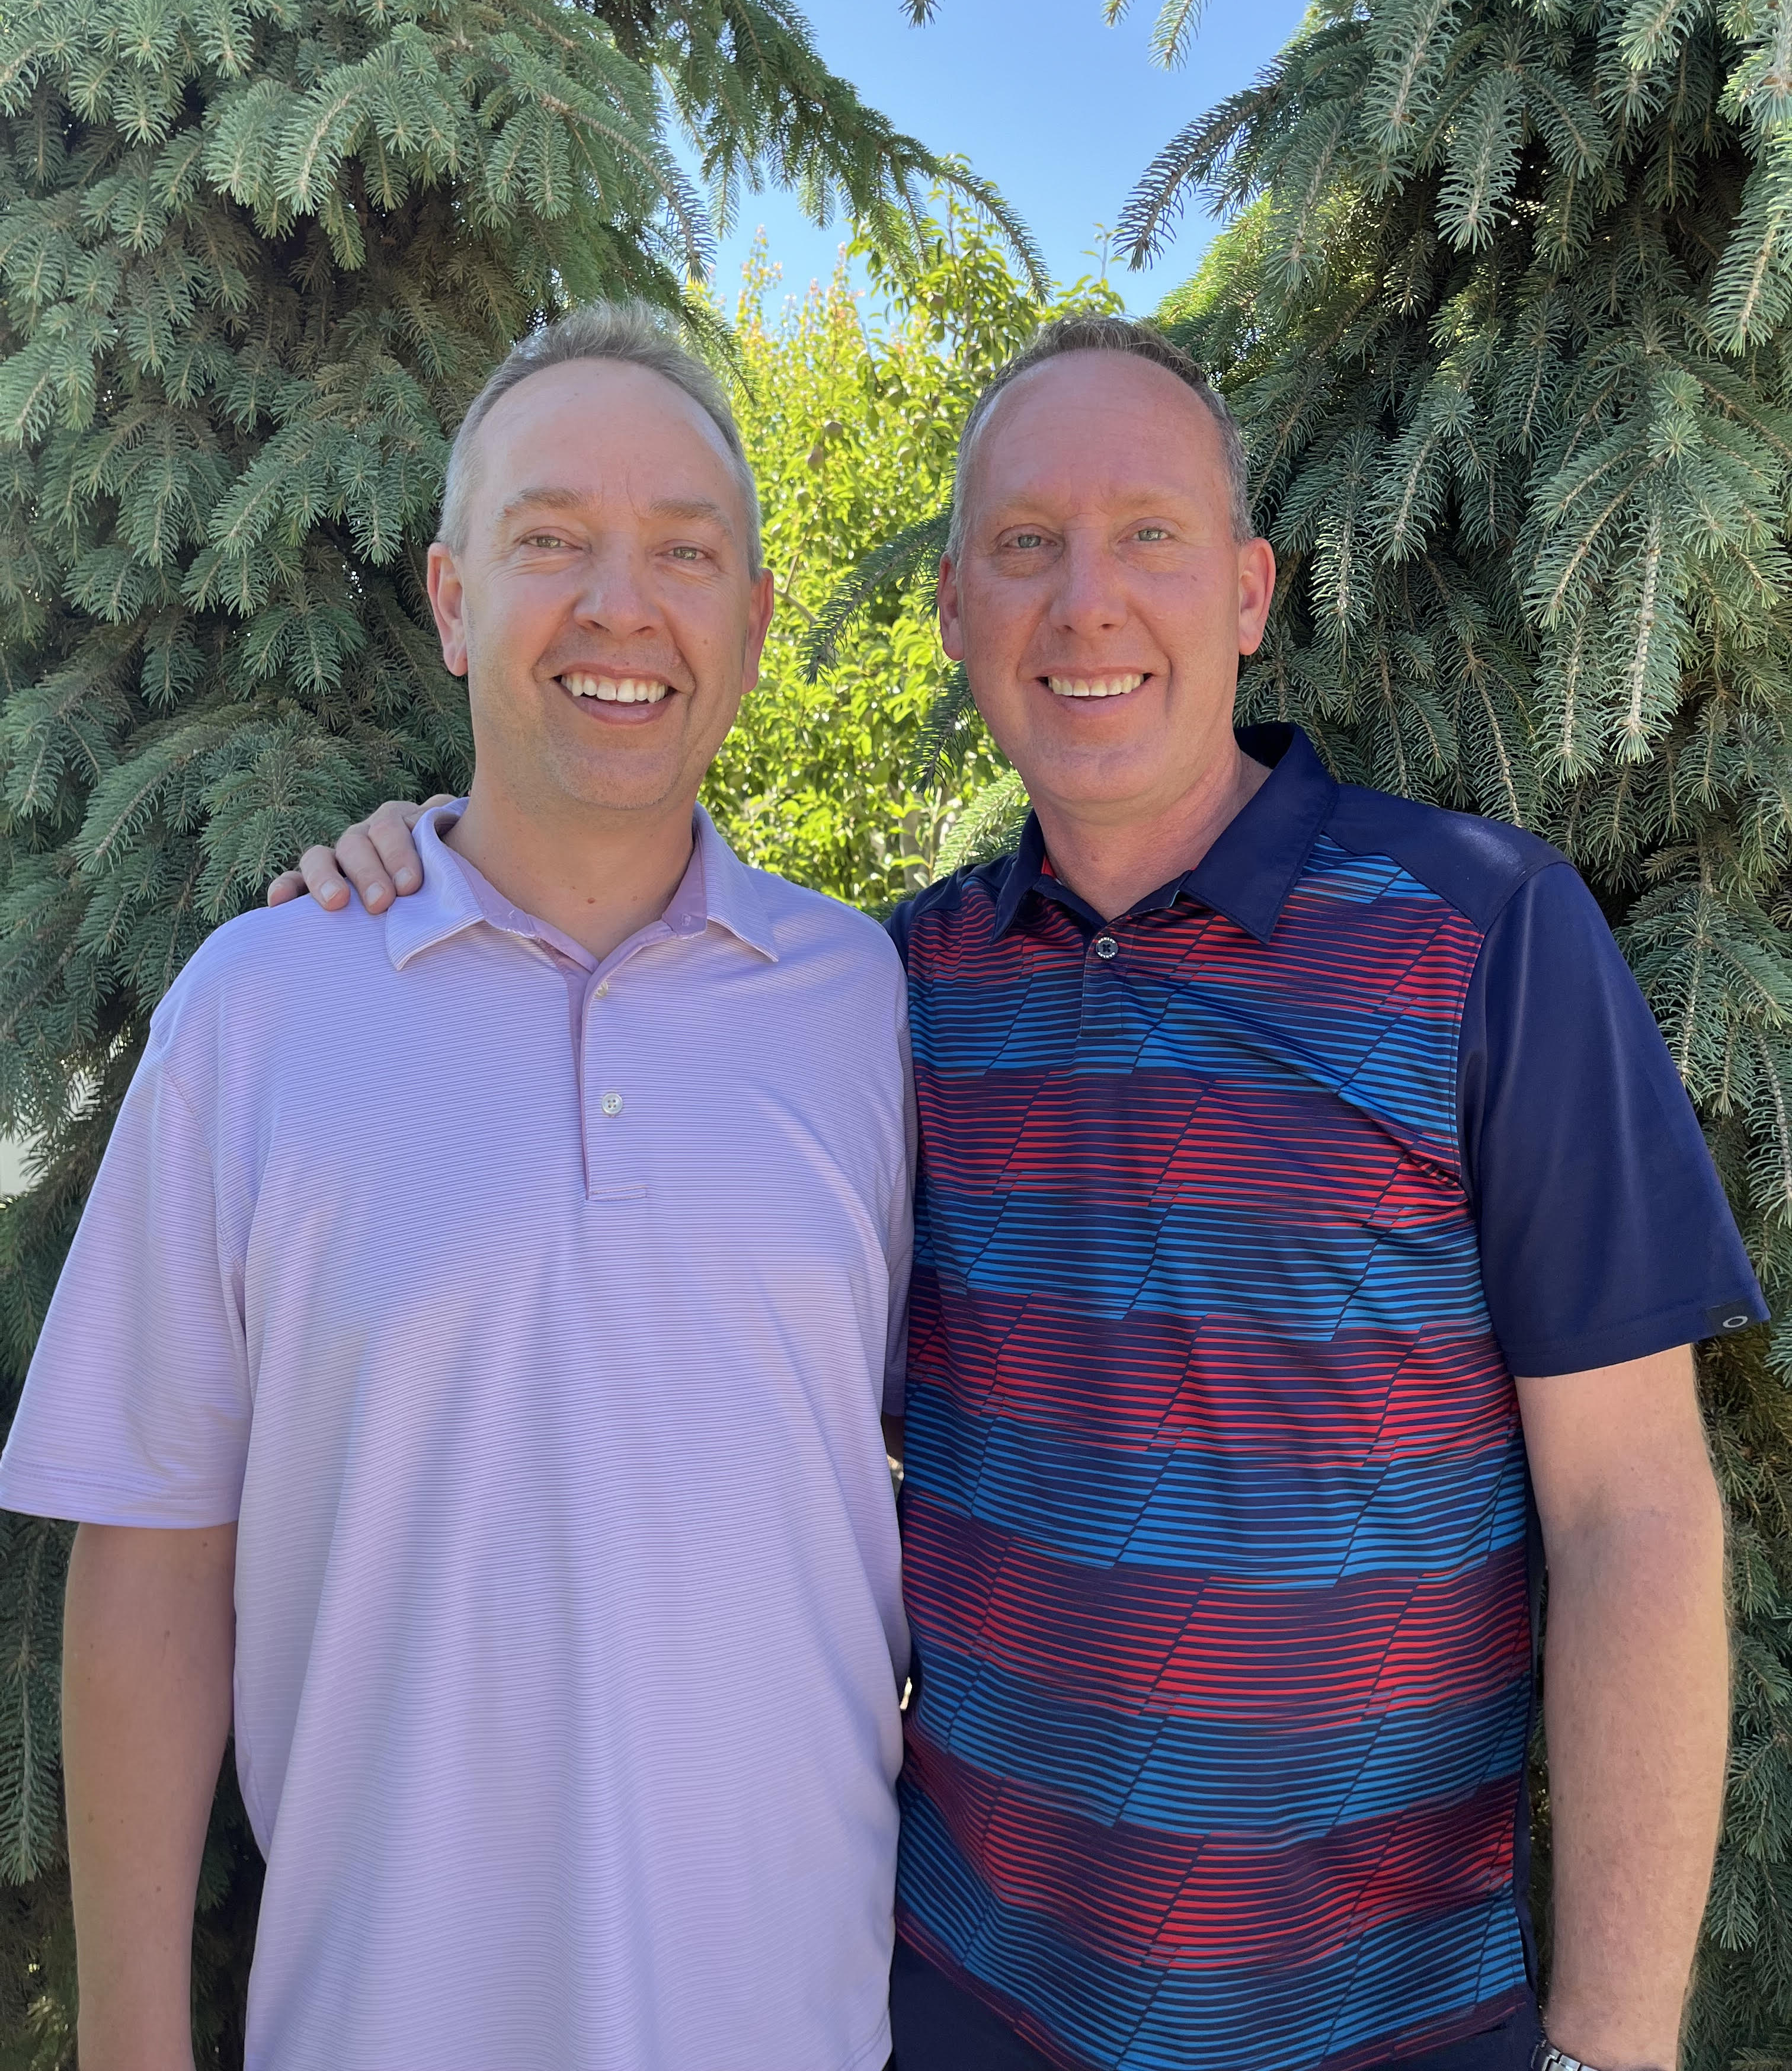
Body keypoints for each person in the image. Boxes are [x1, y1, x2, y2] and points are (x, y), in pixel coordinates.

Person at [287, 316, 1765, 2071]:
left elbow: (1637, 1521)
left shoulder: (1487, 939)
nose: (1087, 604)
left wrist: (1611, 2048)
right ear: (958, 616)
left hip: (1392, 2028)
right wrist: (426, 862)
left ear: (1246, 590)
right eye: (1023, 547)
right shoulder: (881, 997)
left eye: (1149, 533)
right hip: (967, 2009)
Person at [0, 303, 915, 2071]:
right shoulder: (258, 1013)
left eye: (684, 553)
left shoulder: (872, 1008)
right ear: (450, 599)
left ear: (753, 620)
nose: (619, 605)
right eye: (550, 541)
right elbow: (152, 1569)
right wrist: (129, 2044)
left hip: (806, 2031)